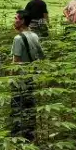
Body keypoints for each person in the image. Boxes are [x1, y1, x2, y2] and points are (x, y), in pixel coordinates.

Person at [11, 11, 44, 140]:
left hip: (20, 79)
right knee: (30, 105)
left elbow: (16, 63)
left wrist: (11, 79)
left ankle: (17, 134)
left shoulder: (18, 38)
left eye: (16, 18)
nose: (14, 21)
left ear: (22, 21)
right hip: (32, 76)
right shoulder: (35, 36)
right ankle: (30, 133)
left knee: (17, 107)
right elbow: (40, 56)